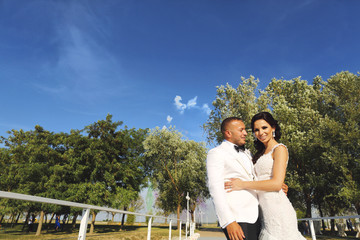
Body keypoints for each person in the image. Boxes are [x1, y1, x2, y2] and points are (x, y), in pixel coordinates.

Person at [225, 112, 306, 240]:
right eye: (256, 130)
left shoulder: (280, 149)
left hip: (279, 211)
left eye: (264, 127)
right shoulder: (258, 154)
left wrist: (242, 184)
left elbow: (276, 184)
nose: (260, 132)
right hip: (264, 212)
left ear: (273, 128)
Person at [207, 117, 260, 240]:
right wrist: (228, 221)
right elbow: (215, 189)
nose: (245, 133)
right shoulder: (216, 153)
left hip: (257, 214)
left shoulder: (248, 153)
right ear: (228, 133)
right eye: (241, 130)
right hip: (238, 217)